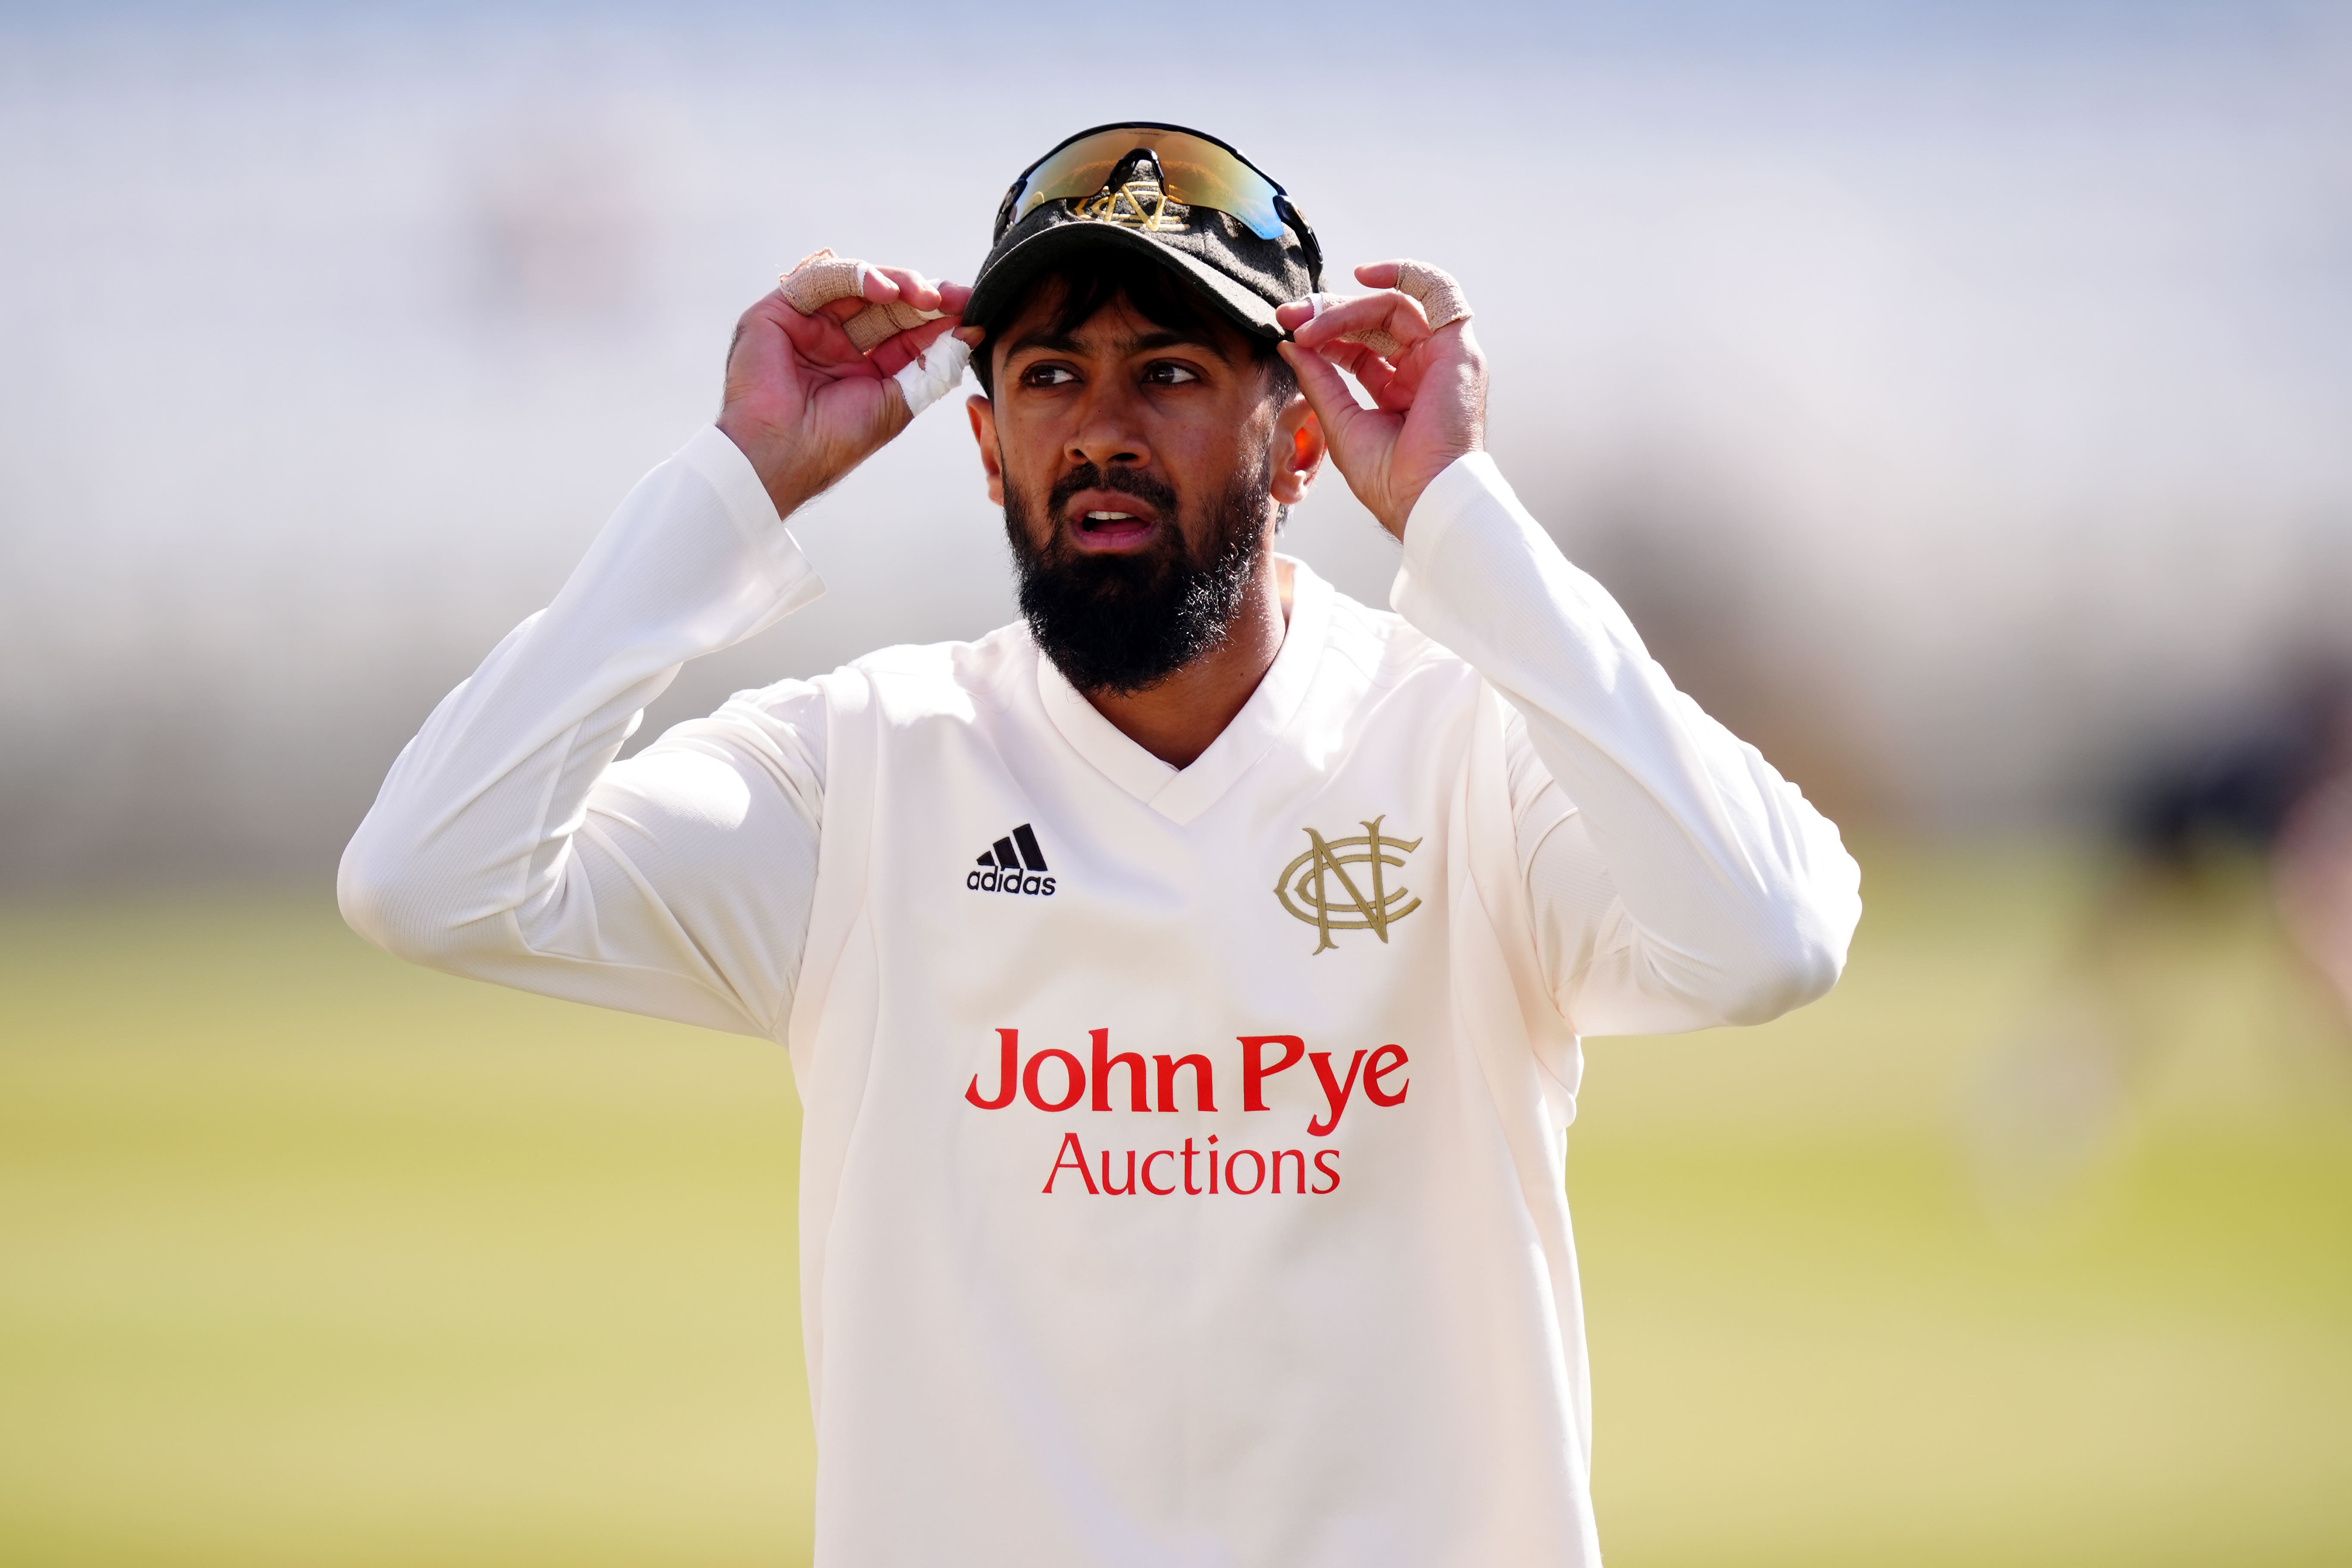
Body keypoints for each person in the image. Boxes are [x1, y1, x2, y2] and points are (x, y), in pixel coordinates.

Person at [341, 123, 1862, 1566]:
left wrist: (1462, 514)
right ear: (987, 443)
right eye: (1053, 373)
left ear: (1306, 438)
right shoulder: (863, 768)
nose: (1106, 430)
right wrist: (736, 482)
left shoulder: (1469, 755)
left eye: (1177, 370)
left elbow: (1770, 935)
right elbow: (427, 879)